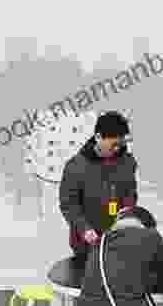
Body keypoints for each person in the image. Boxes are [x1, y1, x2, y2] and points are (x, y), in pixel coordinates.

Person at [59, 111, 138, 262]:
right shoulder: (75, 166)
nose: (117, 149)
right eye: (113, 144)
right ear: (98, 137)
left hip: (119, 239)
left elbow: (130, 194)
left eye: (120, 144)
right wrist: (84, 229)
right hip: (86, 244)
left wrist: (127, 216)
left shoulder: (127, 162)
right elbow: (69, 205)